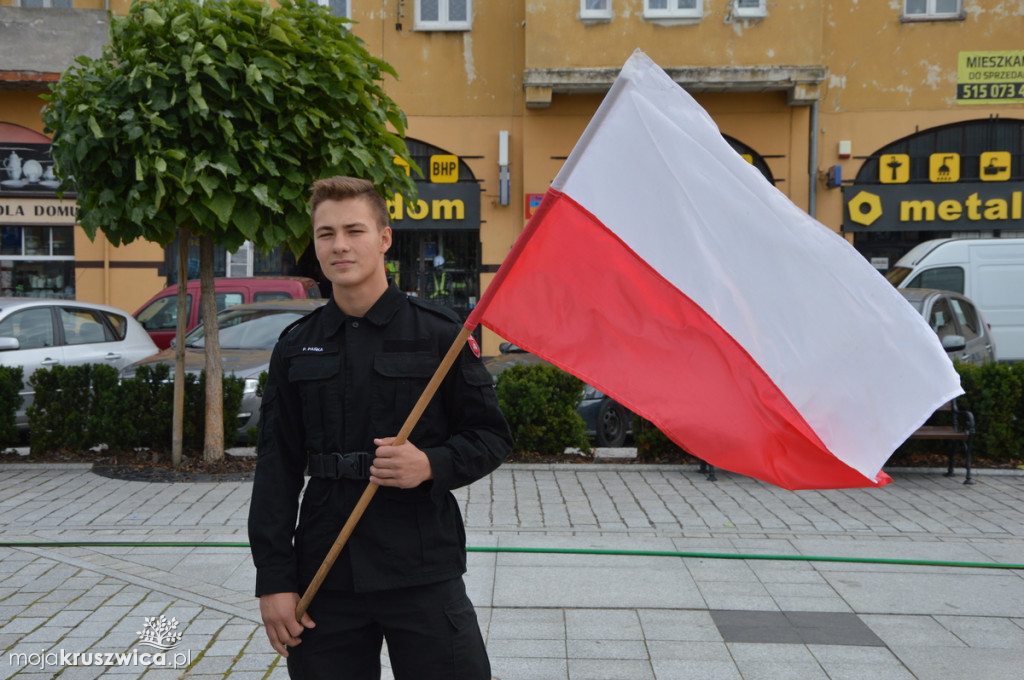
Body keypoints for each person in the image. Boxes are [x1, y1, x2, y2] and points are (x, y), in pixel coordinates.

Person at [248, 176, 512, 679]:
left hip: (421, 567)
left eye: (354, 230)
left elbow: (491, 436)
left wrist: (429, 464)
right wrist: (274, 580)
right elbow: (276, 467)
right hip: (326, 570)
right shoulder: (297, 345)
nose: (340, 245)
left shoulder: (438, 334)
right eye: (326, 234)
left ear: (384, 238)